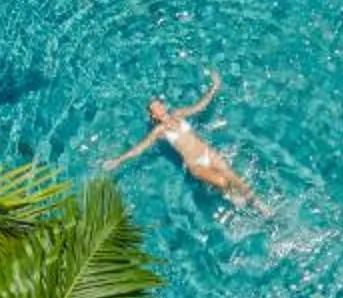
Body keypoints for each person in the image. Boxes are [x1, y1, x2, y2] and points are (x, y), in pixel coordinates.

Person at [103, 70, 255, 204]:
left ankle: (260, 205)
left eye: (159, 105)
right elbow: (140, 148)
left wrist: (214, 87)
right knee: (222, 181)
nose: (159, 108)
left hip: (207, 153)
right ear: (153, 115)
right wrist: (118, 160)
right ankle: (230, 194)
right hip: (196, 165)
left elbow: (200, 106)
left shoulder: (178, 114)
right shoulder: (159, 131)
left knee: (236, 178)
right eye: (155, 108)